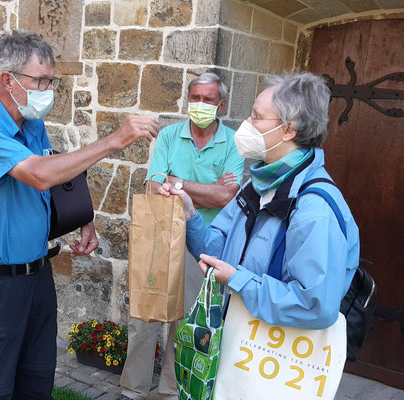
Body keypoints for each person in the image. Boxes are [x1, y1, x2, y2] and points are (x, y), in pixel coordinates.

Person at [0, 30, 158, 399]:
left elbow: (54, 171)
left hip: (37, 278)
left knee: (37, 381)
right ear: (8, 80)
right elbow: (37, 173)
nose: (49, 89)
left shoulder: (31, 124)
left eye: (51, 80)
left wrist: (82, 216)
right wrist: (114, 140)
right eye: (41, 80)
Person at [159, 72, 359, 333]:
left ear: (289, 129)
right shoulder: (255, 187)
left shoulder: (314, 209)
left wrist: (238, 280)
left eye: (256, 116)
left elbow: (315, 306)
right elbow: (216, 250)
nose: (246, 123)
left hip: (274, 358)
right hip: (239, 344)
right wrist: (190, 214)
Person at [118, 72, 244, 400]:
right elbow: (152, 188)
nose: (200, 105)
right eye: (196, 98)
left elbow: (227, 198)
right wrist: (210, 189)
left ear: (222, 103)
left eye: (208, 99)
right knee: (144, 318)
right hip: (160, 236)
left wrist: (179, 183)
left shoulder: (234, 143)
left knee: (186, 323)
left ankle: (170, 393)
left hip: (204, 246)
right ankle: (132, 391)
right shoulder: (170, 136)